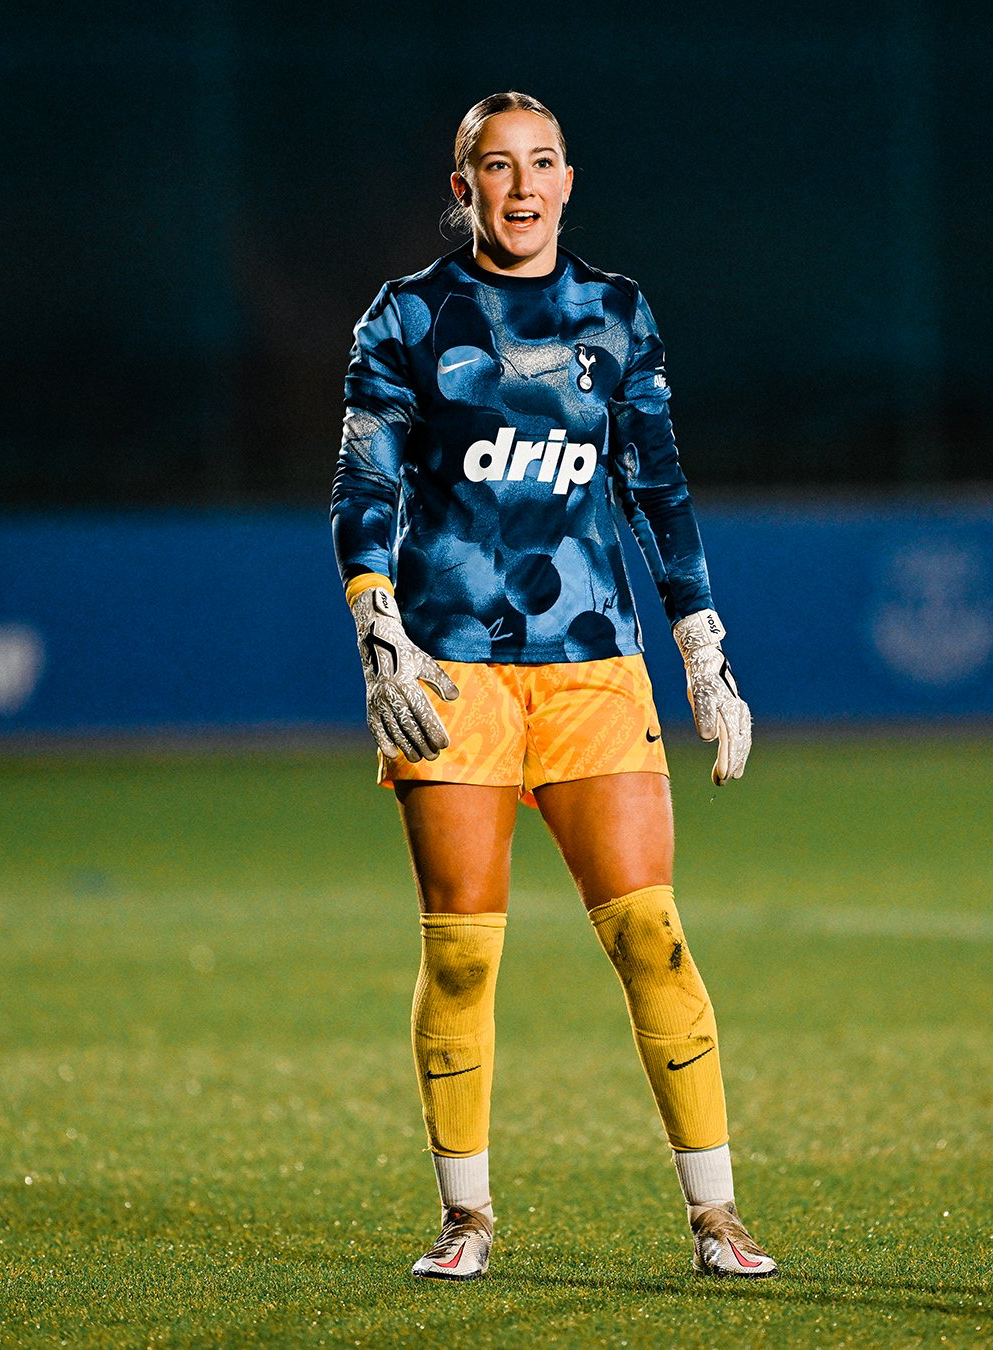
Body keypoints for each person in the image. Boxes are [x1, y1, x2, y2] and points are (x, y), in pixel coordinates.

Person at [331, 91, 777, 1282]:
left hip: (591, 669)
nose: (521, 188)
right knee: (464, 954)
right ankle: (466, 1218)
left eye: (541, 165)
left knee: (653, 937)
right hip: (452, 672)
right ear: (463, 182)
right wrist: (376, 621)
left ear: (568, 180)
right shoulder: (410, 317)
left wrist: (703, 649)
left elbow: (658, 487)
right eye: (496, 166)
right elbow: (363, 483)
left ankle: (717, 1216)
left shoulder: (615, 314)